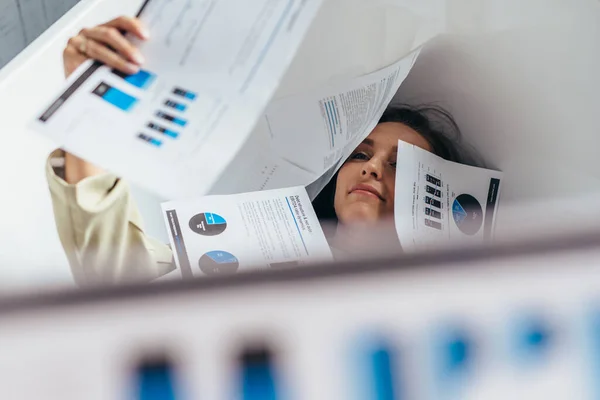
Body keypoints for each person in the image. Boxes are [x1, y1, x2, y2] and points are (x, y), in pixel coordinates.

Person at [48, 16, 472, 285]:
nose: (373, 168)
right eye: (360, 155)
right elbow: (114, 271)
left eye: (402, 166)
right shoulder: (237, 251)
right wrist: (90, 102)